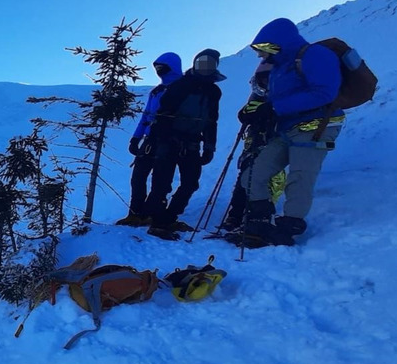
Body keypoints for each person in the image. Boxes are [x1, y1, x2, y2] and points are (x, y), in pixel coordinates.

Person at [240, 17, 343, 245]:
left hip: (316, 126)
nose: (261, 55)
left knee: (300, 177)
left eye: (264, 48)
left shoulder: (316, 55)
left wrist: (274, 108)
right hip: (286, 128)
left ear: (279, 42)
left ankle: (289, 226)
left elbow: (325, 93)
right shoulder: (279, 67)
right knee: (253, 174)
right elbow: (274, 98)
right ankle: (260, 219)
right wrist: (257, 112)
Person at [143, 49, 225, 240]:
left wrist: (209, 147)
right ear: (195, 64)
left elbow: (211, 121)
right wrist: (159, 139)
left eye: (209, 64)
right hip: (169, 140)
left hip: (192, 142)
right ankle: (158, 222)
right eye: (202, 63)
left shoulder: (214, 91)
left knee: (190, 182)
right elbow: (163, 113)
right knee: (162, 181)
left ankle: (169, 217)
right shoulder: (180, 85)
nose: (205, 67)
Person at [116, 52, 183, 226]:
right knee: (138, 176)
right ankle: (136, 212)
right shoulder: (156, 91)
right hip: (150, 138)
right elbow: (146, 116)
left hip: (169, 139)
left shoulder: (183, 89)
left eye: (162, 67)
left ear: (172, 67)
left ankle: (152, 213)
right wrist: (136, 138)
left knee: (161, 179)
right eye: (157, 68)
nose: (159, 71)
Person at [219, 61, 286, 231]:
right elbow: (244, 114)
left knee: (262, 178)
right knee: (246, 177)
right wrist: (249, 114)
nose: (266, 83)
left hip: (274, 142)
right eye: (263, 79)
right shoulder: (258, 96)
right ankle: (237, 214)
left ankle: (252, 214)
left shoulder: (282, 96)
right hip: (256, 141)